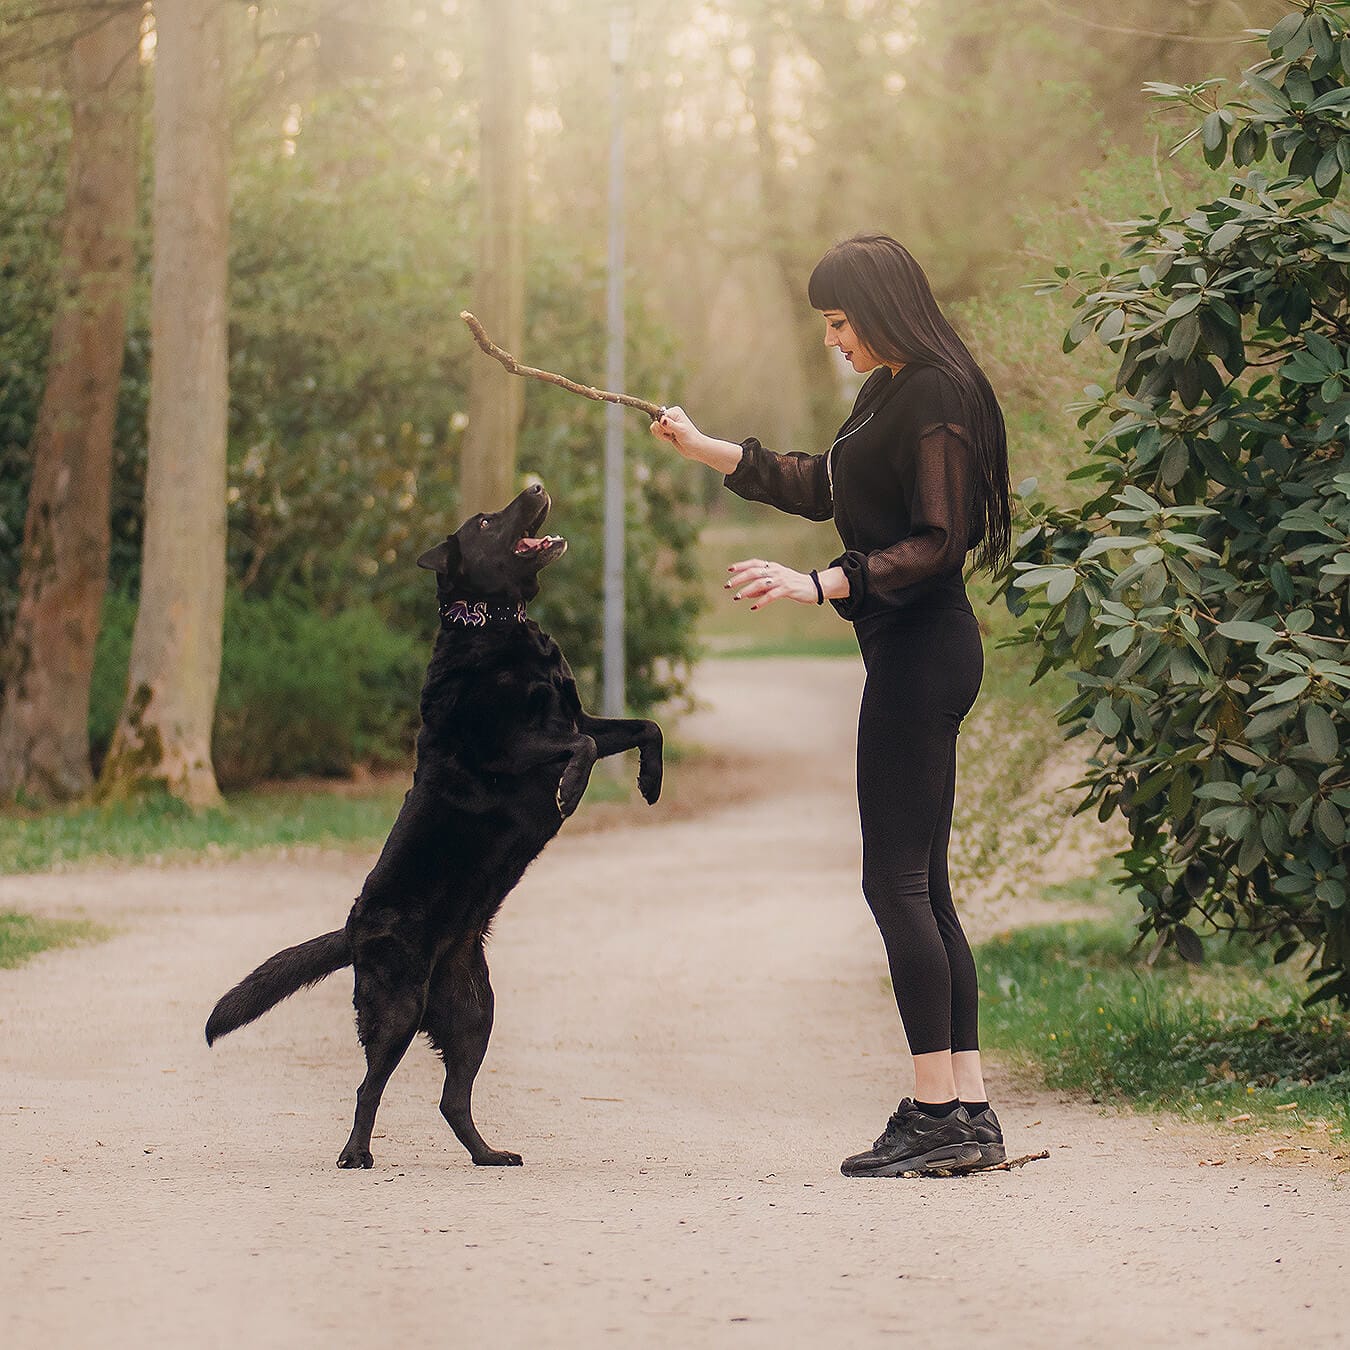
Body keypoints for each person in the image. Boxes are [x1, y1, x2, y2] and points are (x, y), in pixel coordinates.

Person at [650, 232, 1012, 1178]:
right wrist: (707, 449)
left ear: (882, 313)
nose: (833, 341)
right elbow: (827, 484)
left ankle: (937, 1113)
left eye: (841, 323)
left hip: (922, 655)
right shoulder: (892, 393)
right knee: (923, 887)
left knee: (894, 886)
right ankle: (965, 1108)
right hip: (915, 654)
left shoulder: (935, 395)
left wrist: (822, 585)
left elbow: (940, 542)